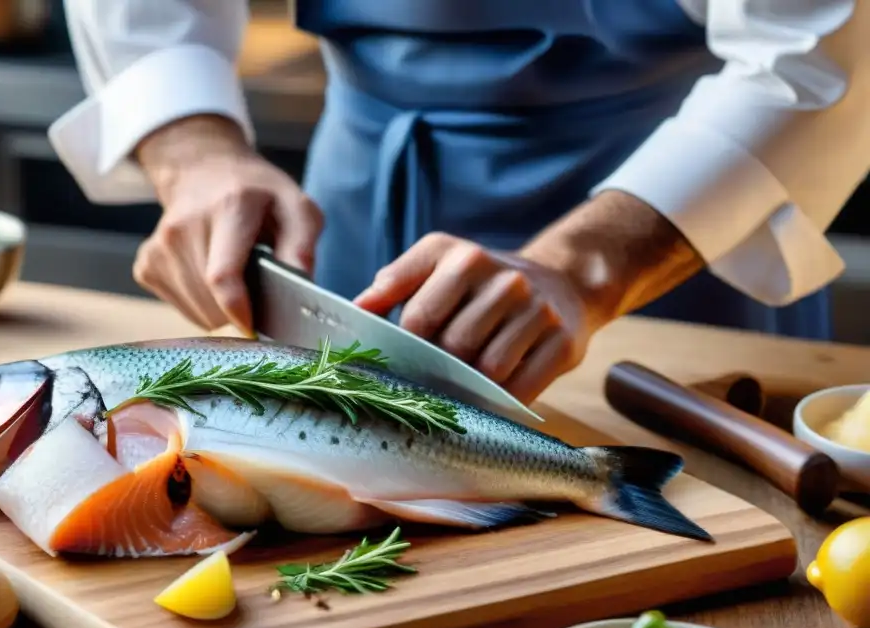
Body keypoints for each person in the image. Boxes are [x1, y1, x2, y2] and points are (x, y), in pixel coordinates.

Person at [50, 0, 870, 405]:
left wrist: (584, 269)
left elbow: (817, 54)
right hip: (353, 213)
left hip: (680, 229)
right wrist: (192, 150)